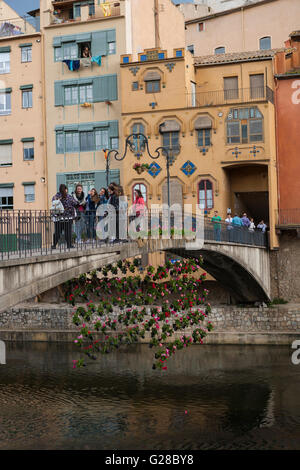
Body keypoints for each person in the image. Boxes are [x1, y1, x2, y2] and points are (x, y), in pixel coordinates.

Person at [51, 184, 77, 249]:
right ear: (66, 189)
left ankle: (54, 245)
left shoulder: (55, 197)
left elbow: (53, 204)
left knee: (57, 232)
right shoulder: (69, 197)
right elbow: (75, 203)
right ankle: (69, 245)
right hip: (68, 217)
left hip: (58, 217)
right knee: (68, 232)